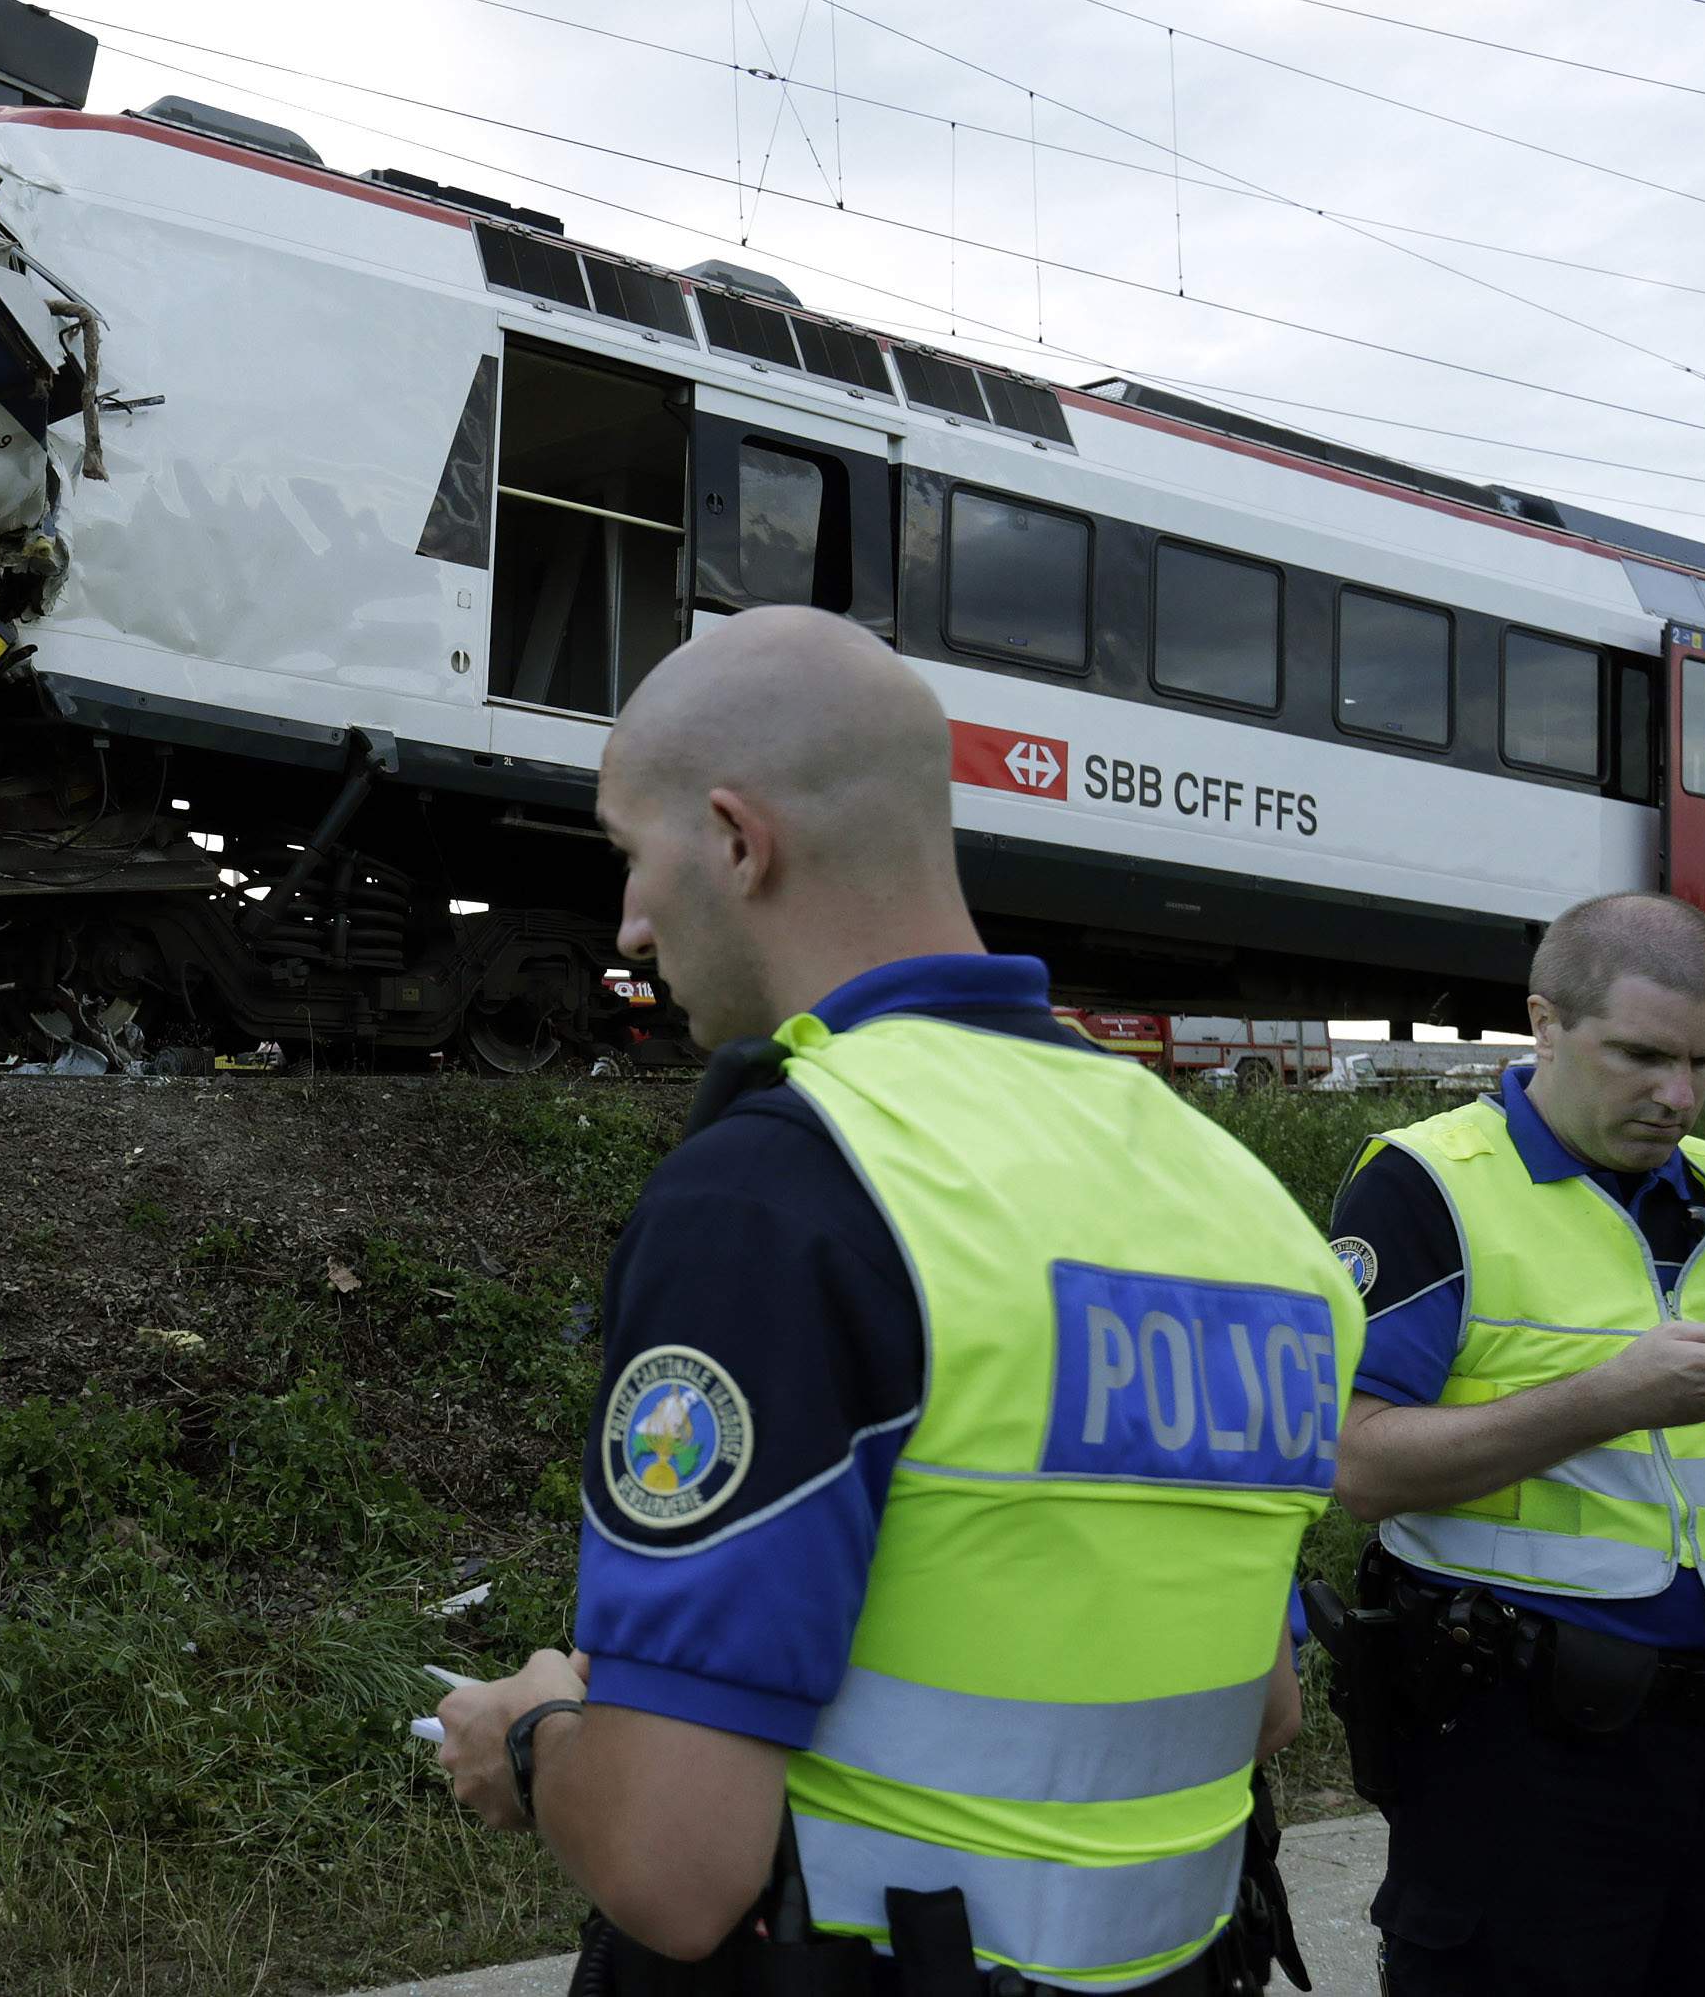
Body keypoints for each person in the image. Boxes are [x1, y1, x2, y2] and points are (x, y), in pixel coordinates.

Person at [434, 609, 1364, 1993]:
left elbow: (677, 1869)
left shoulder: (782, 1189)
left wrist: (531, 1733)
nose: (627, 921)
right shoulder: (1235, 1201)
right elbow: (1262, 1707)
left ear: (740, 841)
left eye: (633, 856)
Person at [1325, 891, 1705, 1995]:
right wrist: (1608, 1397)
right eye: (1638, 1054)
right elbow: (1352, 1462)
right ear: (1542, 1022)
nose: (1675, 1094)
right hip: (1515, 1746)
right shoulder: (1427, 1182)